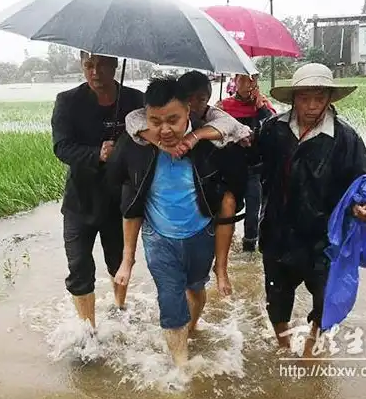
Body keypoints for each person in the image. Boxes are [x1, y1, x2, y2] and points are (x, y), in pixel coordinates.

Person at [110, 76, 248, 367]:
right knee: (171, 301)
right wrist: (127, 259)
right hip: (158, 238)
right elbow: (128, 202)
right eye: (156, 121)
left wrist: (222, 268)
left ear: (189, 110)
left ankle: (193, 326)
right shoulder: (137, 144)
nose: (165, 129)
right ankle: (182, 372)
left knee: (196, 289)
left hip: (200, 234)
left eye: (173, 120)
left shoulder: (210, 143)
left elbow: (231, 197)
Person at [256, 63, 366, 356]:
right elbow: (250, 164)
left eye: (319, 98)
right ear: (294, 99)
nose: (312, 106)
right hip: (278, 235)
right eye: (305, 98)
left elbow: (365, 184)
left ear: (329, 98)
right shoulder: (273, 130)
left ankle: (310, 351)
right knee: (276, 302)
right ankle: (284, 349)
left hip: (325, 240)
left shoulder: (345, 138)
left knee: (324, 303)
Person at [51, 51, 144, 329]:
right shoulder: (68, 101)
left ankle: (120, 308)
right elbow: (62, 147)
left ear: (116, 65)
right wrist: (97, 153)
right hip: (80, 201)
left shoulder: (134, 100)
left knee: (118, 262)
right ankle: (88, 330)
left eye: (102, 65)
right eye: (88, 65)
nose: (95, 72)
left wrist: (125, 151)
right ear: (81, 65)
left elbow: (149, 136)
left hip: (119, 200)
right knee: (79, 266)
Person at [217, 74, 276, 253]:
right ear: (235, 81)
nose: (247, 84)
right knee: (228, 209)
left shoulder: (264, 106)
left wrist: (261, 109)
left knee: (253, 212)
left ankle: (249, 249)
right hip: (230, 169)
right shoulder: (224, 106)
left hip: (255, 169)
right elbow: (215, 132)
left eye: (252, 80)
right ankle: (225, 247)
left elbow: (274, 132)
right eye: (242, 79)